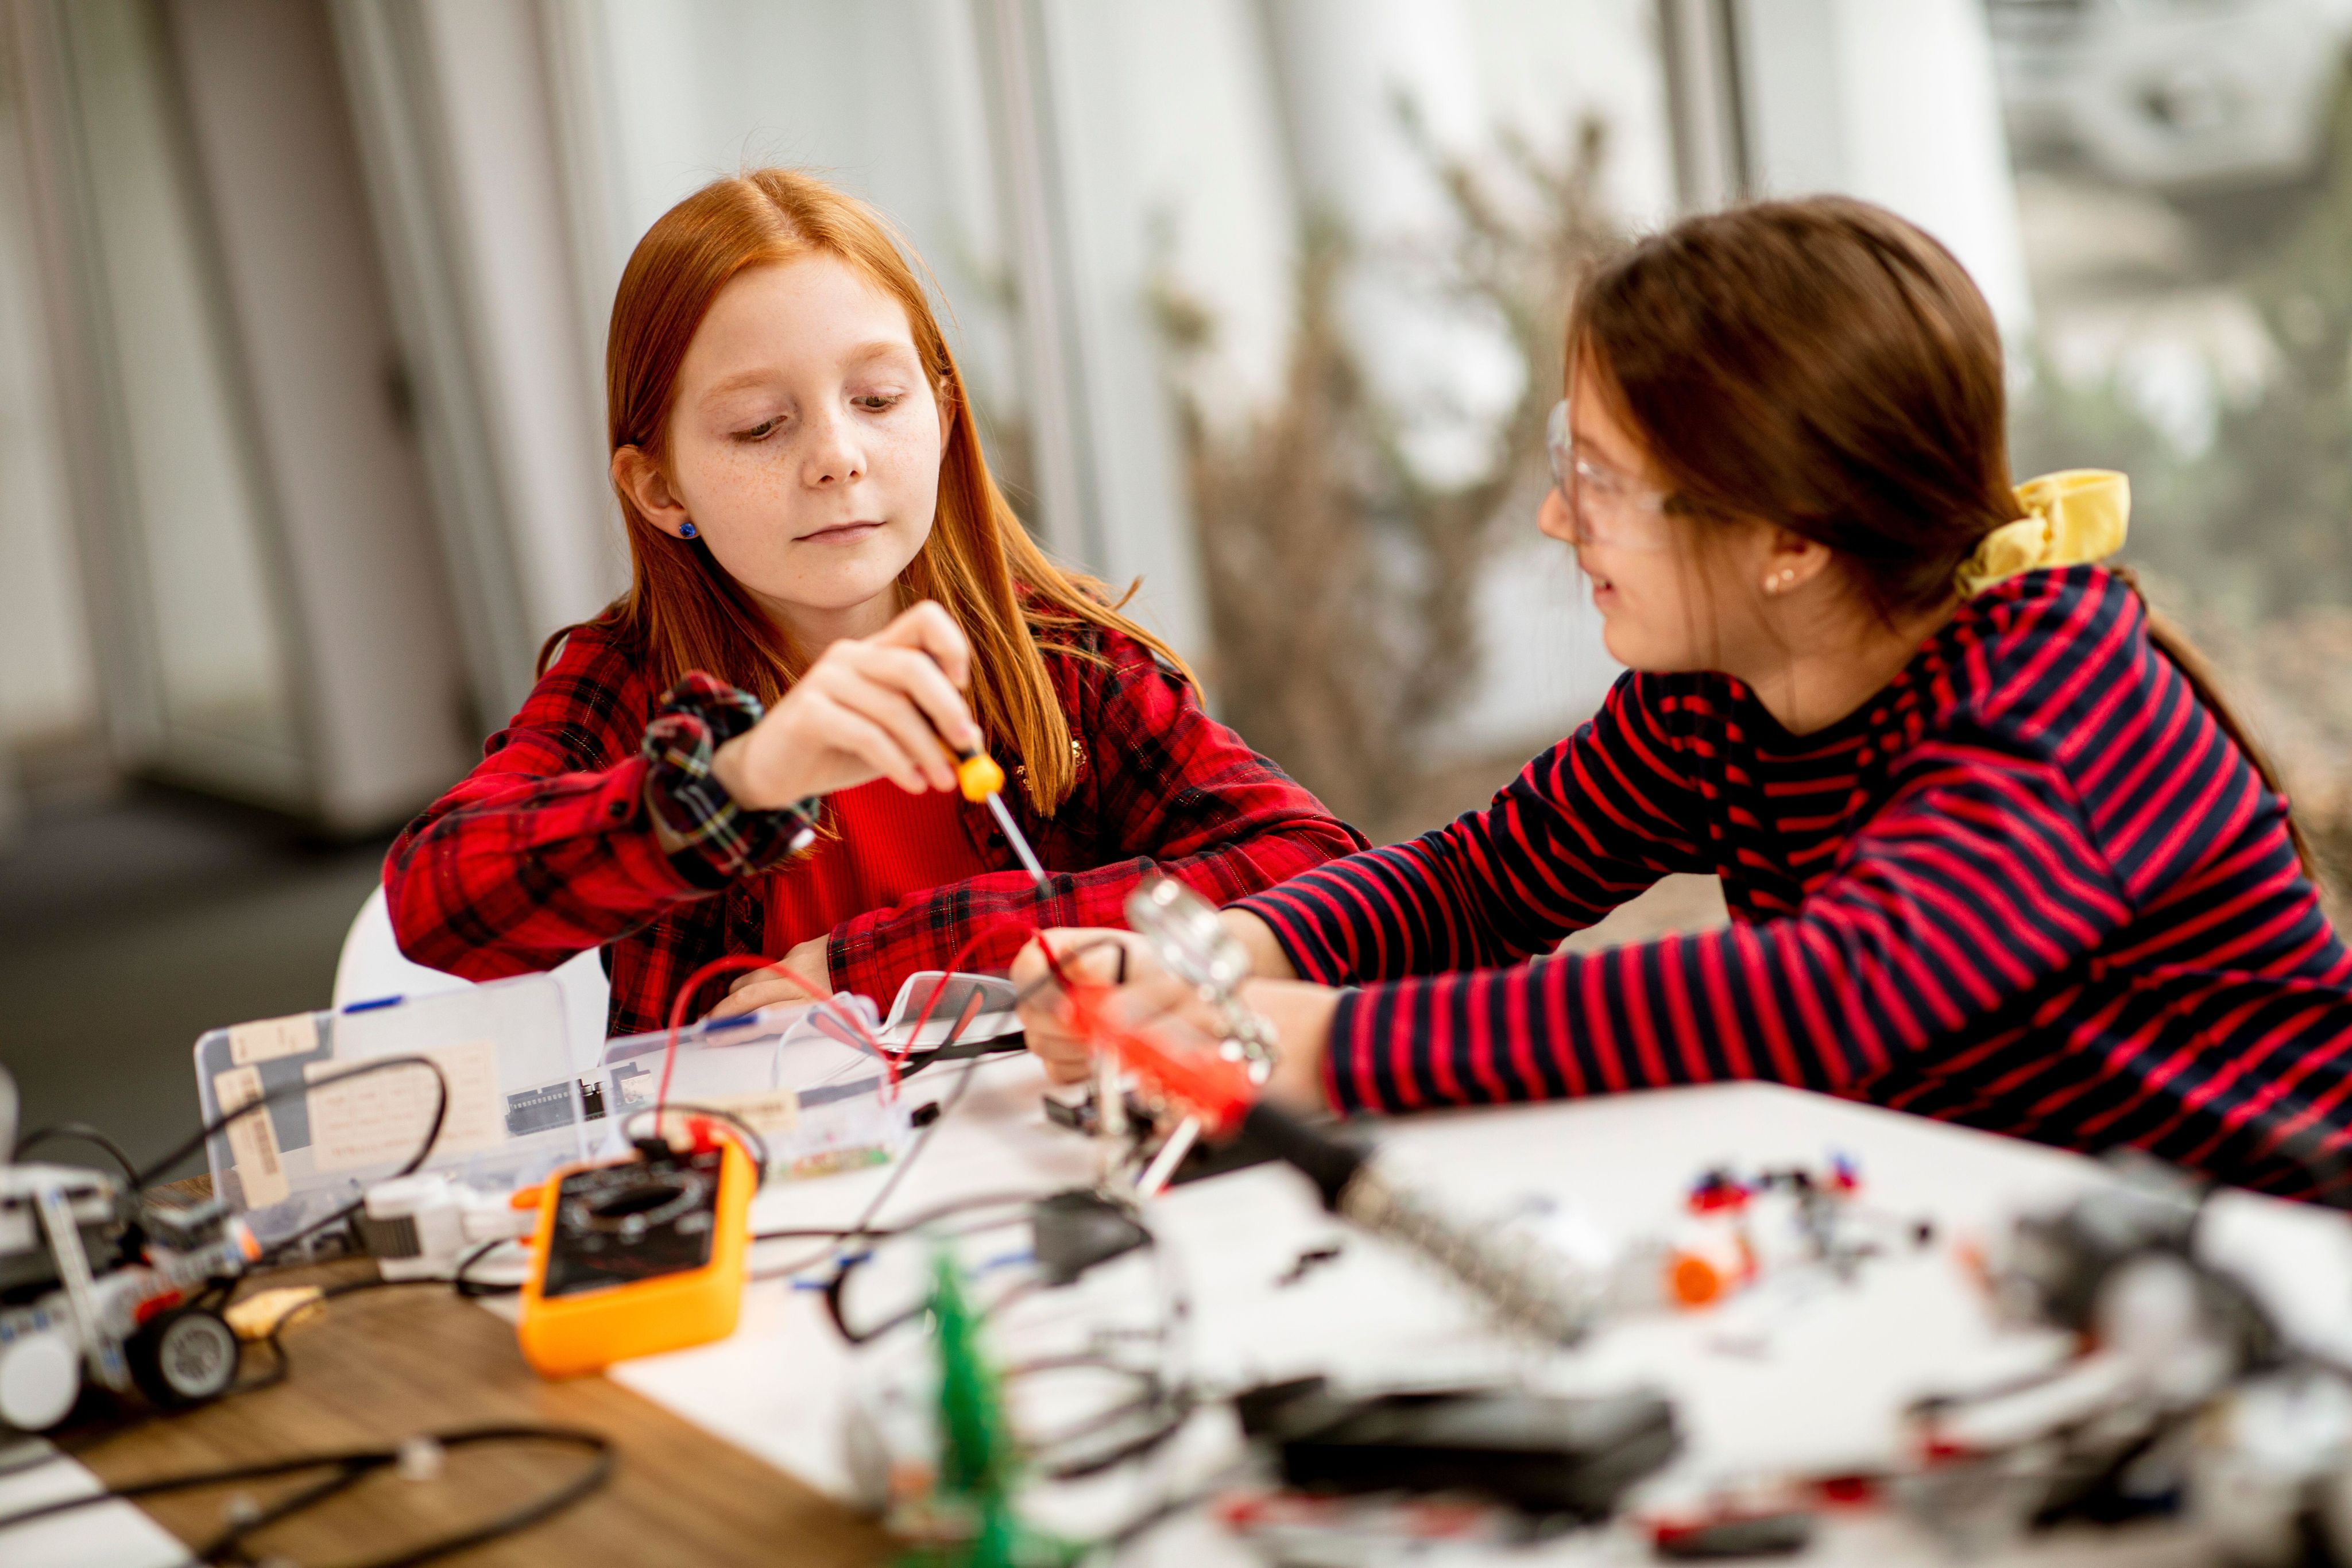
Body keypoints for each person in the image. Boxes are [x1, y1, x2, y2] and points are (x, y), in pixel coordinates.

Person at [1016, 196, 2352, 1201]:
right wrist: (1221, 961)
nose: (1554, 516)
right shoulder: (1715, 693)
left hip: (2285, 1270)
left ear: (1787, 538)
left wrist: (1313, 1046)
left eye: (1596, 478)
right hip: (2018, 1247)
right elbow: (1480, 883)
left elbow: (1820, 997)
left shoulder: (2057, 696)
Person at [386, 169, 1363, 1037]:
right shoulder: (627, 682)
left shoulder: (1063, 662)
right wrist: (737, 780)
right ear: (661, 490)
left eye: (879, 401)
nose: (836, 458)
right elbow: (438, 906)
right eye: (760, 426)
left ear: (941, 420)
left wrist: (890, 961)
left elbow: (1313, 865)